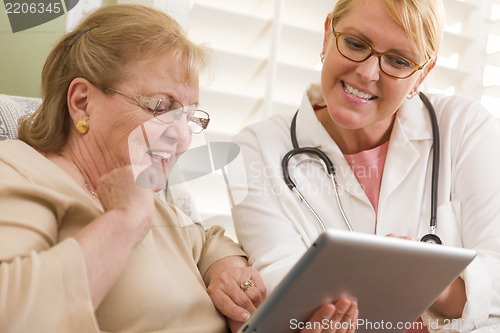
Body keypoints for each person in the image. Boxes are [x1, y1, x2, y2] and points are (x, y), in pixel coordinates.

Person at [0, 4, 359, 332]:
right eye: (161, 107)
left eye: (190, 117)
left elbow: (208, 241)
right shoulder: (23, 171)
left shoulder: (151, 199)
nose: (182, 138)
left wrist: (229, 275)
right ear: (82, 103)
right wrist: (124, 221)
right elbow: (15, 315)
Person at [230, 0, 500, 332]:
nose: (368, 73)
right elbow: (281, 295)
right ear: (328, 35)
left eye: (398, 61)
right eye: (356, 44)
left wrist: (429, 279)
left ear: (422, 75)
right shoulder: (255, 149)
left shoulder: (464, 128)